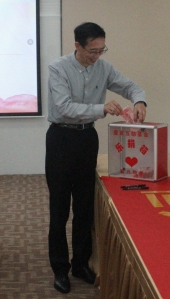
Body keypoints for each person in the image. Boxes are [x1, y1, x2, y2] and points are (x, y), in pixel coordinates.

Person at [46, 22, 147, 294]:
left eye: (101, 50)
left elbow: (131, 86)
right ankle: (60, 269)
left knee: (84, 207)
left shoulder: (104, 67)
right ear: (77, 46)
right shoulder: (58, 68)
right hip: (61, 139)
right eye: (92, 51)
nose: (97, 56)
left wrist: (139, 101)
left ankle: (80, 264)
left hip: (87, 139)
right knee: (59, 209)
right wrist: (101, 108)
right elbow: (64, 107)